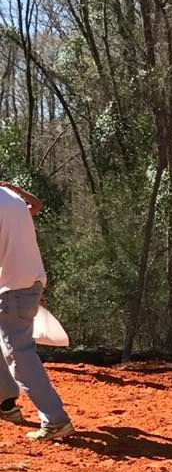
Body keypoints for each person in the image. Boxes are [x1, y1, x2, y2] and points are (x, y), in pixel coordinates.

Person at [0, 180, 73, 442]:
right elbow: (37, 206)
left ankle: (56, 420)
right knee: (8, 347)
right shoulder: (12, 199)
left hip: (13, 290)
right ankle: (5, 403)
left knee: (21, 358)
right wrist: (16, 189)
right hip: (28, 284)